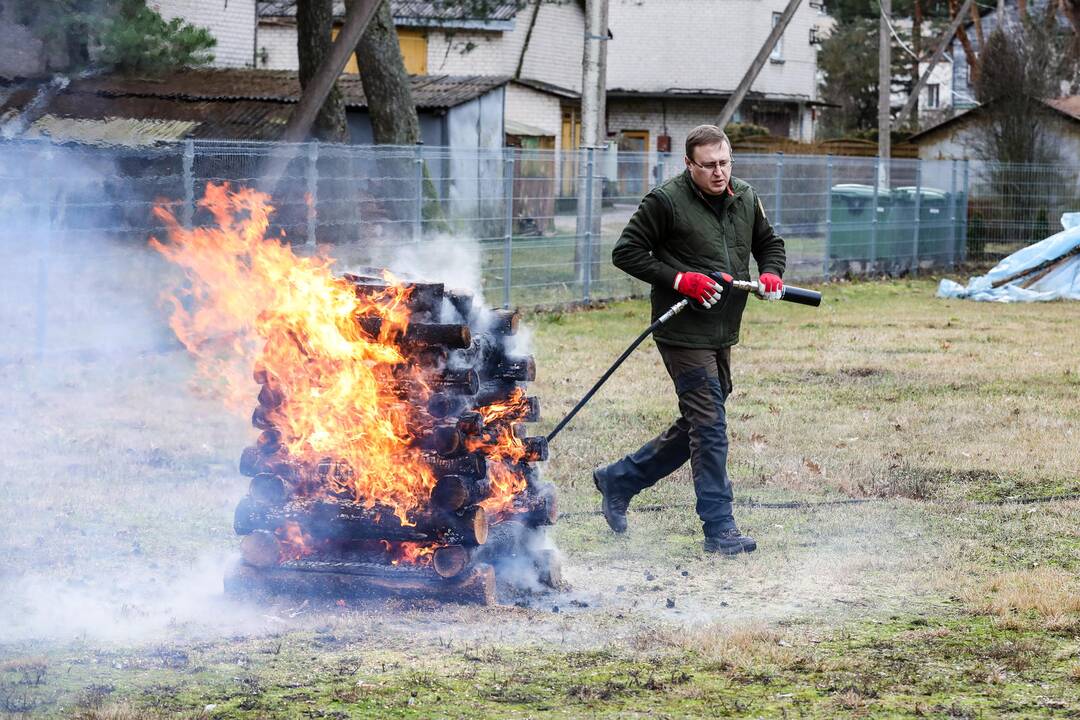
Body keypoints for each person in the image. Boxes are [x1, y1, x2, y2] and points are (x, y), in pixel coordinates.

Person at [594, 124, 786, 555]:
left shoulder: (745, 197)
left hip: (722, 329)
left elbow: (769, 243)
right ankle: (720, 528)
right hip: (681, 328)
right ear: (689, 164)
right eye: (709, 165)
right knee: (711, 427)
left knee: (704, 419)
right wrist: (681, 279)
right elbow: (626, 252)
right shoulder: (665, 202)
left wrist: (772, 272)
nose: (719, 173)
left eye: (725, 162)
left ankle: (620, 479)